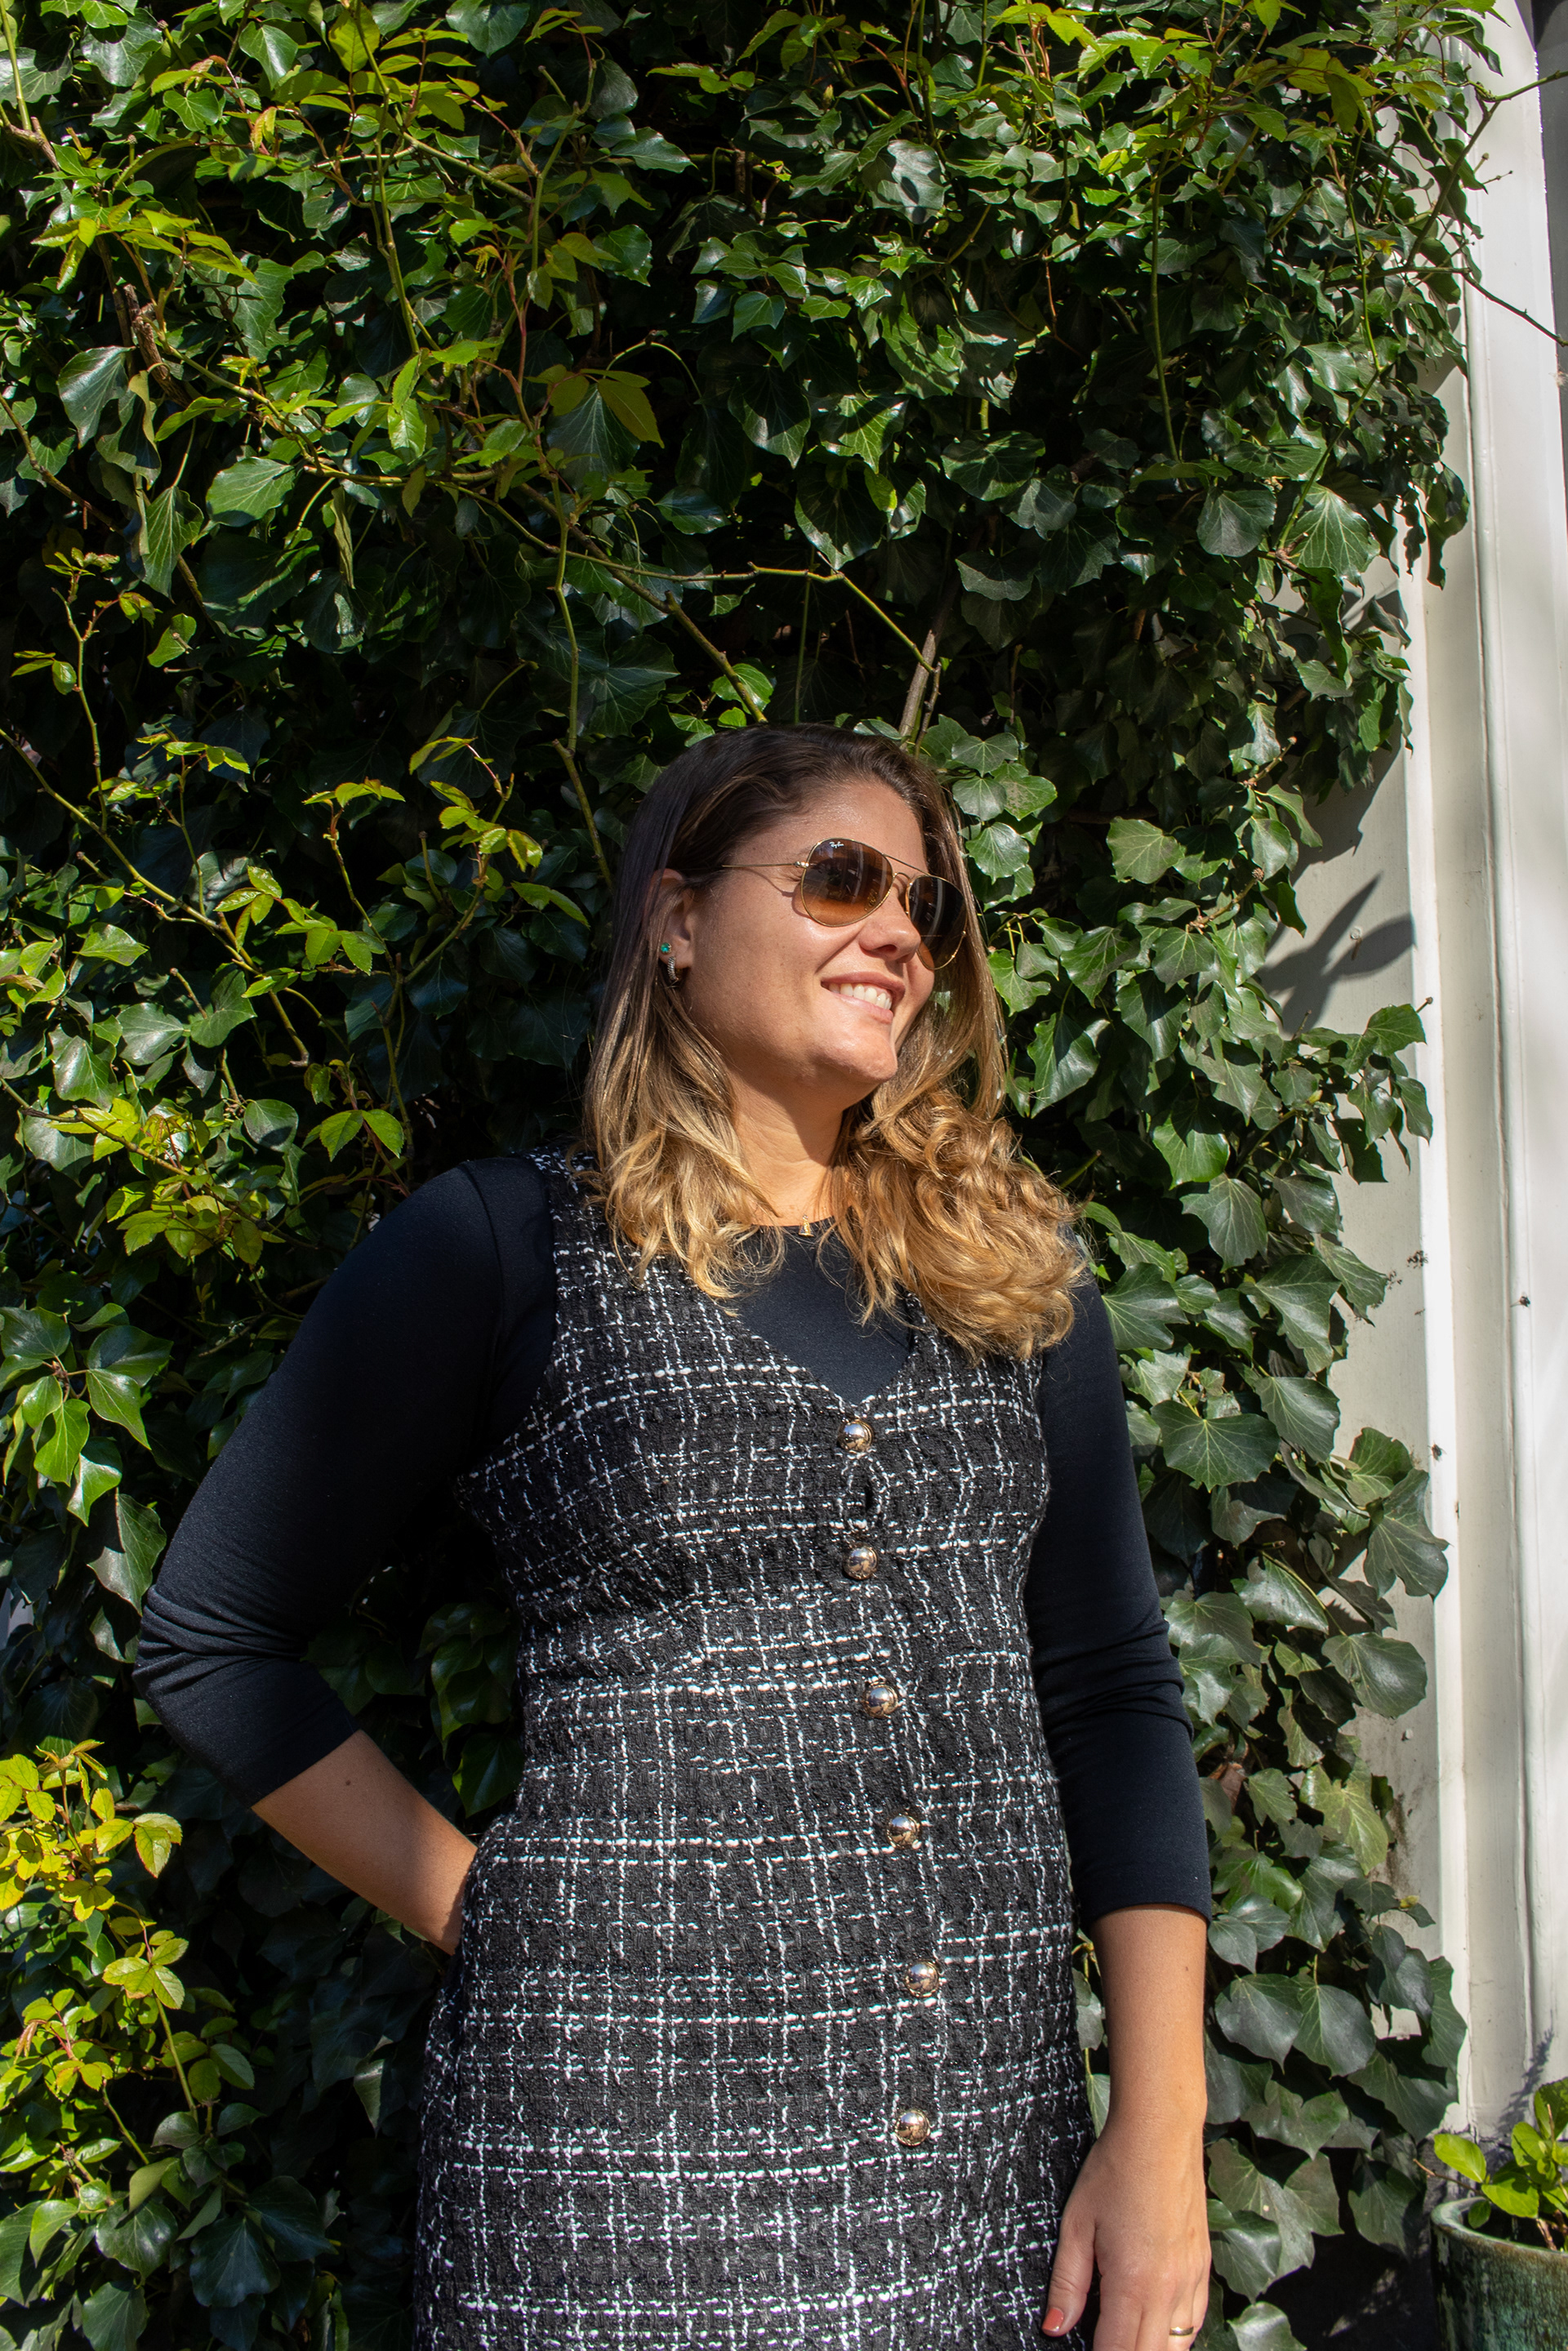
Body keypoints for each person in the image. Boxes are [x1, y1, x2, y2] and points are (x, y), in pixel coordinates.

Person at [137, 724, 1213, 2351]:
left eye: (926, 902)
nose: (900, 932)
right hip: (618, 2181)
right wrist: (492, 1908)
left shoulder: (1017, 1278)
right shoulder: (505, 1248)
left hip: (987, 2169)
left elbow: (1114, 1688)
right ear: (680, 917)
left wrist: (1161, 2129)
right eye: (842, 878)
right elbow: (213, 1636)